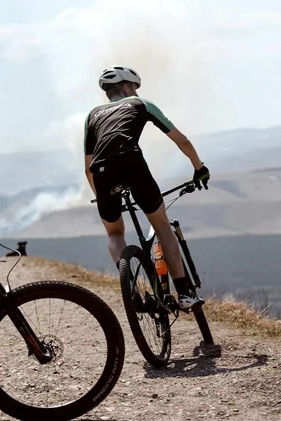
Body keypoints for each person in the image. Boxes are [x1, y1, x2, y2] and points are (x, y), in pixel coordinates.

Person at [83, 66, 210, 310]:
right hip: (131, 163)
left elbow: (88, 166)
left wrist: (100, 194)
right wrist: (198, 168)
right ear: (127, 87)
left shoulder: (93, 115)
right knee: (161, 225)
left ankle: (130, 288)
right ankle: (184, 294)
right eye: (135, 87)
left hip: (101, 173)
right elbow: (181, 140)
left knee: (114, 233)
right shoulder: (141, 104)